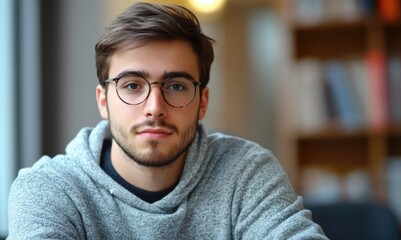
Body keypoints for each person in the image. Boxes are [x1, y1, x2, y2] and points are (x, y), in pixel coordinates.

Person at [8, 2, 327, 239]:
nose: (154, 107)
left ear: (202, 102)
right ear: (103, 101)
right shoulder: (49, 189)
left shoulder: (246, 172)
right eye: (132, 86)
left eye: (176, 86)